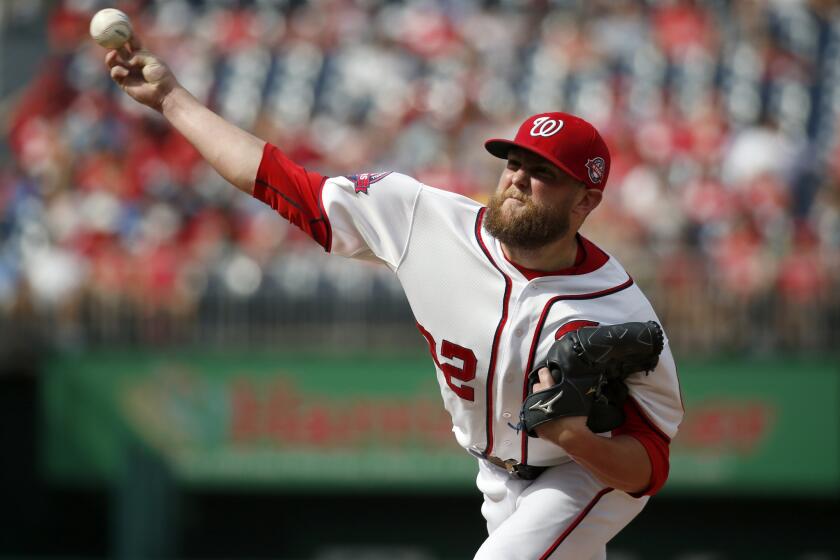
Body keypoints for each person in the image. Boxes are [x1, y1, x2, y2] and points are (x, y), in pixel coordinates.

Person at [104, 34, 683, 560]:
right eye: (514, 162)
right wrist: (172, 99)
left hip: (582, 474)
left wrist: (577, 440)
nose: (518, 179)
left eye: (544, 173)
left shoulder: (617, 307)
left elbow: (650, 467)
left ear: (585, 203)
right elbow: (280, 181)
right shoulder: (422, 219)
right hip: (495, 474)